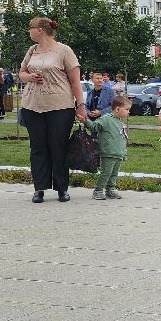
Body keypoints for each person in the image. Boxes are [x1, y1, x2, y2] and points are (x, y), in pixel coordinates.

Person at [19, 17, 85, 203]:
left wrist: (80, 106)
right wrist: (30, 76)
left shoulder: (64, 51)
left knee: (58, 147)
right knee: (38, 148)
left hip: (60, 106)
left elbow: (75, 82)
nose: (28, 31)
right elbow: (21, 74)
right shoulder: (32, 50)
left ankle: (62, 188)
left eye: (30, 28)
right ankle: (39, 188)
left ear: (40, 30)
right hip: (32, 106)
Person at [85, 95, 131, 200]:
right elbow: (94, 126)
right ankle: (98, 190)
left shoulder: (120, 122)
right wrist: (86, 121)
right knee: (106, 173)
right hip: (108, 153)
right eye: (127, 109)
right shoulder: (106, 119)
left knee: (114, 174)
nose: (128, 112)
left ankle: (110, 189)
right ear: (118, 108)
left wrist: (124, 152)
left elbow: (122, 138)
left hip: (118, 153)